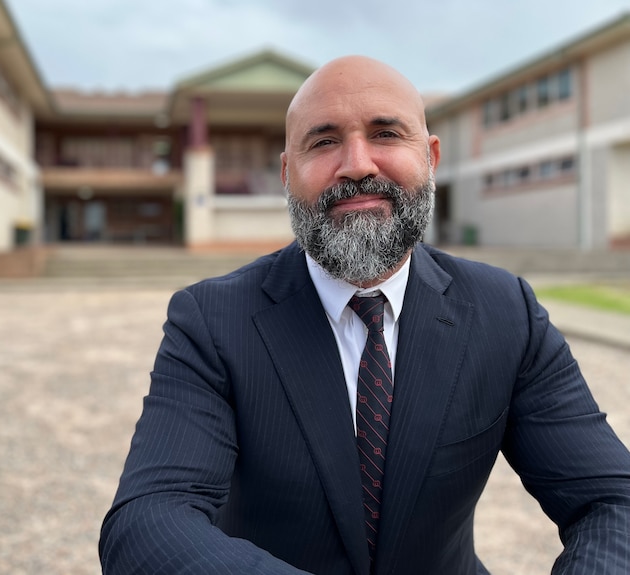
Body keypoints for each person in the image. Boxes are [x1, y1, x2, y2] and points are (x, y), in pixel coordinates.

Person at [99, 55, 630, 574]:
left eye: (386, 133)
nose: (356, 163)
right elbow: (147, 523)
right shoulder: (212, 321)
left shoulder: (506, 312)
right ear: (288, 173)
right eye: (324, 141)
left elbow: (613, 502)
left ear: (432, 157)